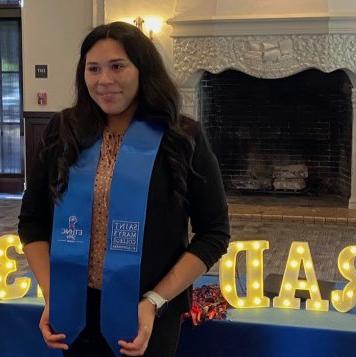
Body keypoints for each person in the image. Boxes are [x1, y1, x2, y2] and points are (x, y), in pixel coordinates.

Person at [18, 21, 230, 357]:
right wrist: (52, 294)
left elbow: (214, 233)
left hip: (145, 313)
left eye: (117, 66)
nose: (104, 80)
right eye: (93, 69)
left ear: (142, 70)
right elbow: (32, 221)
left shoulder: (180, 137)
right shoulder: (64, 131)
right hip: (75, 310)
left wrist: (155, 301)